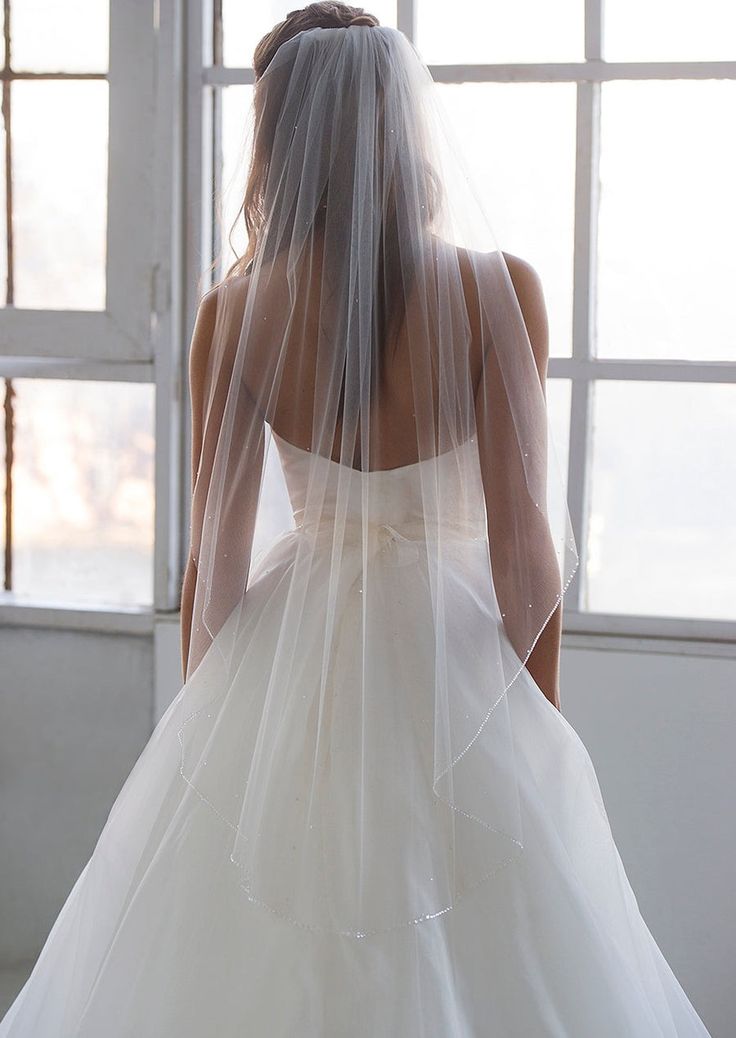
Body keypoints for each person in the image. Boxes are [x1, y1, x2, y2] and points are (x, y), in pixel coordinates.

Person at [0, 4, 713, 1035]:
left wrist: (209, 743)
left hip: (293, 655)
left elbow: (220, 555)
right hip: (455, 657)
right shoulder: (497, 289)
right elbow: (523, 550)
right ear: (399, 123)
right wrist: (539, 722)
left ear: (277, 142)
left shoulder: (235, 312)